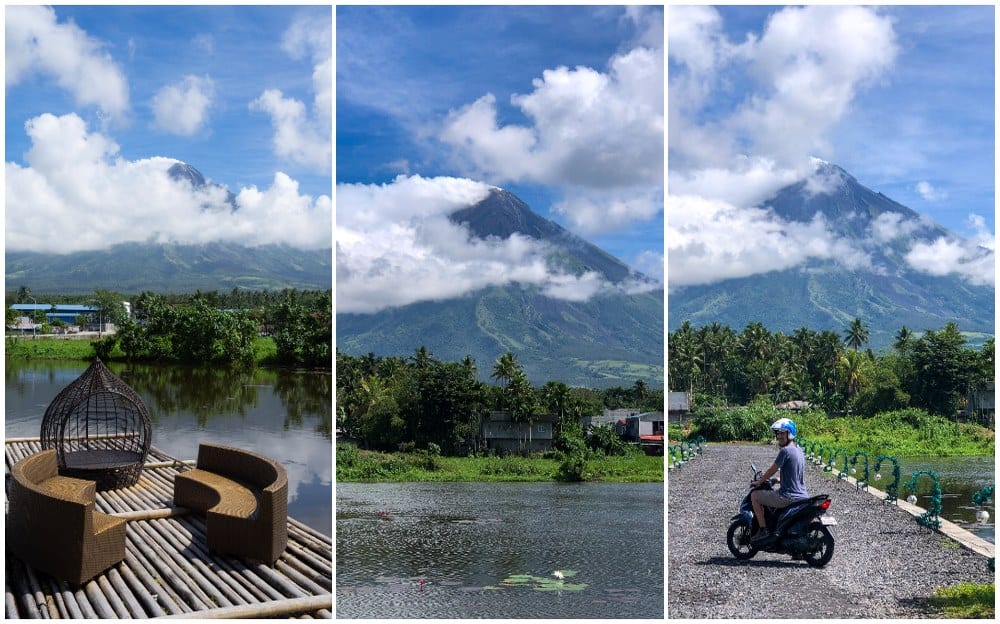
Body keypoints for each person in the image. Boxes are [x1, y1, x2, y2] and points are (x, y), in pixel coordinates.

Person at [749, 417, 808, 545]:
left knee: (754, 496)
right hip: (803, 496)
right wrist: (776, 480)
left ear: (790, 433)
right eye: (778, 433)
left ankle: (763, 530)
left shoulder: (785, 451)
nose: (779, 436)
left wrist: (759, 482)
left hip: (787, 496)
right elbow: (793, 475)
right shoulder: (799, 451)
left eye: (782, 433)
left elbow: (772, 469)